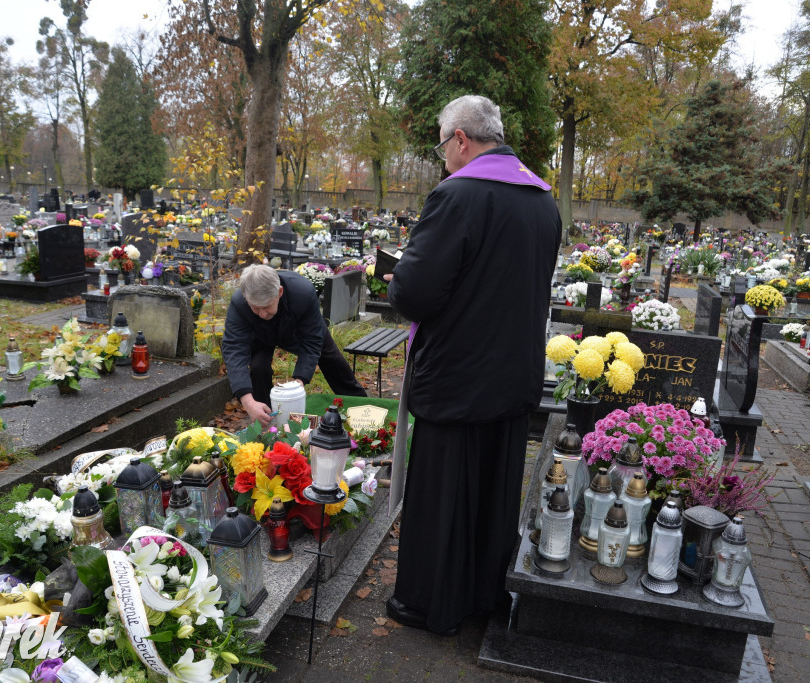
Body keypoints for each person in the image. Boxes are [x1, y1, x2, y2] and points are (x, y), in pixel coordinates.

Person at [386, 95, 562, 635]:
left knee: (443, 494)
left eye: (443, 145)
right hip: (512, 377)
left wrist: (397, 276)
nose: (443, 157)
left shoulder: (456, 196)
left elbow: (414, 294)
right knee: (493, 491)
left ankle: (430, 603)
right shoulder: (541, 201)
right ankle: (485, 594)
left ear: (462, 138)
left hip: (458, 376)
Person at [223, 264, 367, 427]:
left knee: (332, 360)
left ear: (280, 292)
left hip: (297, 328)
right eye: (256, 308)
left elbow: (312, 342)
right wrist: (248, 402)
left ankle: (363, 408)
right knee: (257, 368)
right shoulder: (239, 303)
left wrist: (299, 384)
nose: (263, 314)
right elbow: (234, 350)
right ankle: (268, 422)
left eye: (267, 307)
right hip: (260, 335)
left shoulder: (303, 292)